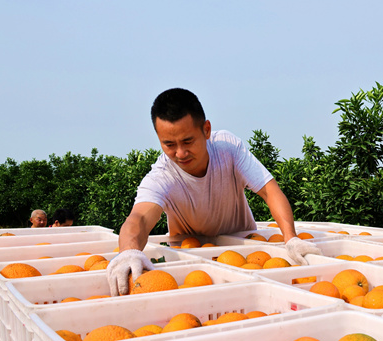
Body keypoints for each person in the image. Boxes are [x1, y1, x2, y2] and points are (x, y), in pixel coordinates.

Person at [106, 88, 320, 296]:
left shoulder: (228, 148)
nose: (180, 153)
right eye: (169, 144)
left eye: (188, 141)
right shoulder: (162, 175)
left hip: (247, 252)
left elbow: (269, 191)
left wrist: (290, 238)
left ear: (206, 130)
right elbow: (140, 218)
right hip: (194, 255)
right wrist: (128, 252)